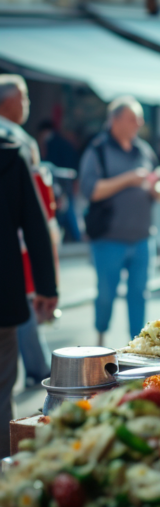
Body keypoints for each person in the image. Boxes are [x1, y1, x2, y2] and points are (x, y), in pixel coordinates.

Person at [79, 96, 160, 344]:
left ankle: (136, 346)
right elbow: (91, 190)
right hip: (109, 239)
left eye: (140, 118)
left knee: (139, 294)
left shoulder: (144, 150)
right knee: (105, 295)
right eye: (133, 118)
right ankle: (100, 340)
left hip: (141, 237)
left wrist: (156, 188)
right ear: (115, 120)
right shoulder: (97, 150)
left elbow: (159, 187)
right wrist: (128, 179)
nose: (139, 123)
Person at [0, 87, 58, 457]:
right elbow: (35, 226)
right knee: (2, 389)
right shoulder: (10, 150)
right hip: (3, 293)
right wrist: (47, 288)